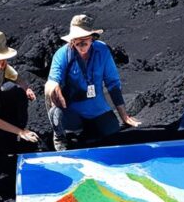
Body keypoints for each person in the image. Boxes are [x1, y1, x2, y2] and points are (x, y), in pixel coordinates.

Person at [44, 15, 141, 150]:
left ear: (92, 38)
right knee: (53, 100)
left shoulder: (103, 51)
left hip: (96, 107)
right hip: (71, 109)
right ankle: (60, 135)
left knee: (111, 128)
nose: (81, 46)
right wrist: (53, 86)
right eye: (76, 42)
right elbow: (52, 81)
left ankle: (88, 131)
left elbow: (113, 83)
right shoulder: (62, 55)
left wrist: (124, 116)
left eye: (84, 41)